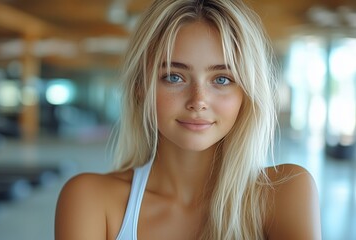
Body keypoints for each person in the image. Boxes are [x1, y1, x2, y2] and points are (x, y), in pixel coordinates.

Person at [55, 0, 322, 239]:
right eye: (174, 77)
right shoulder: (90, 200)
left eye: (222, 79)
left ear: (247, 93)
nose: (198, 100)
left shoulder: (285, 193)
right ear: (140, 87)